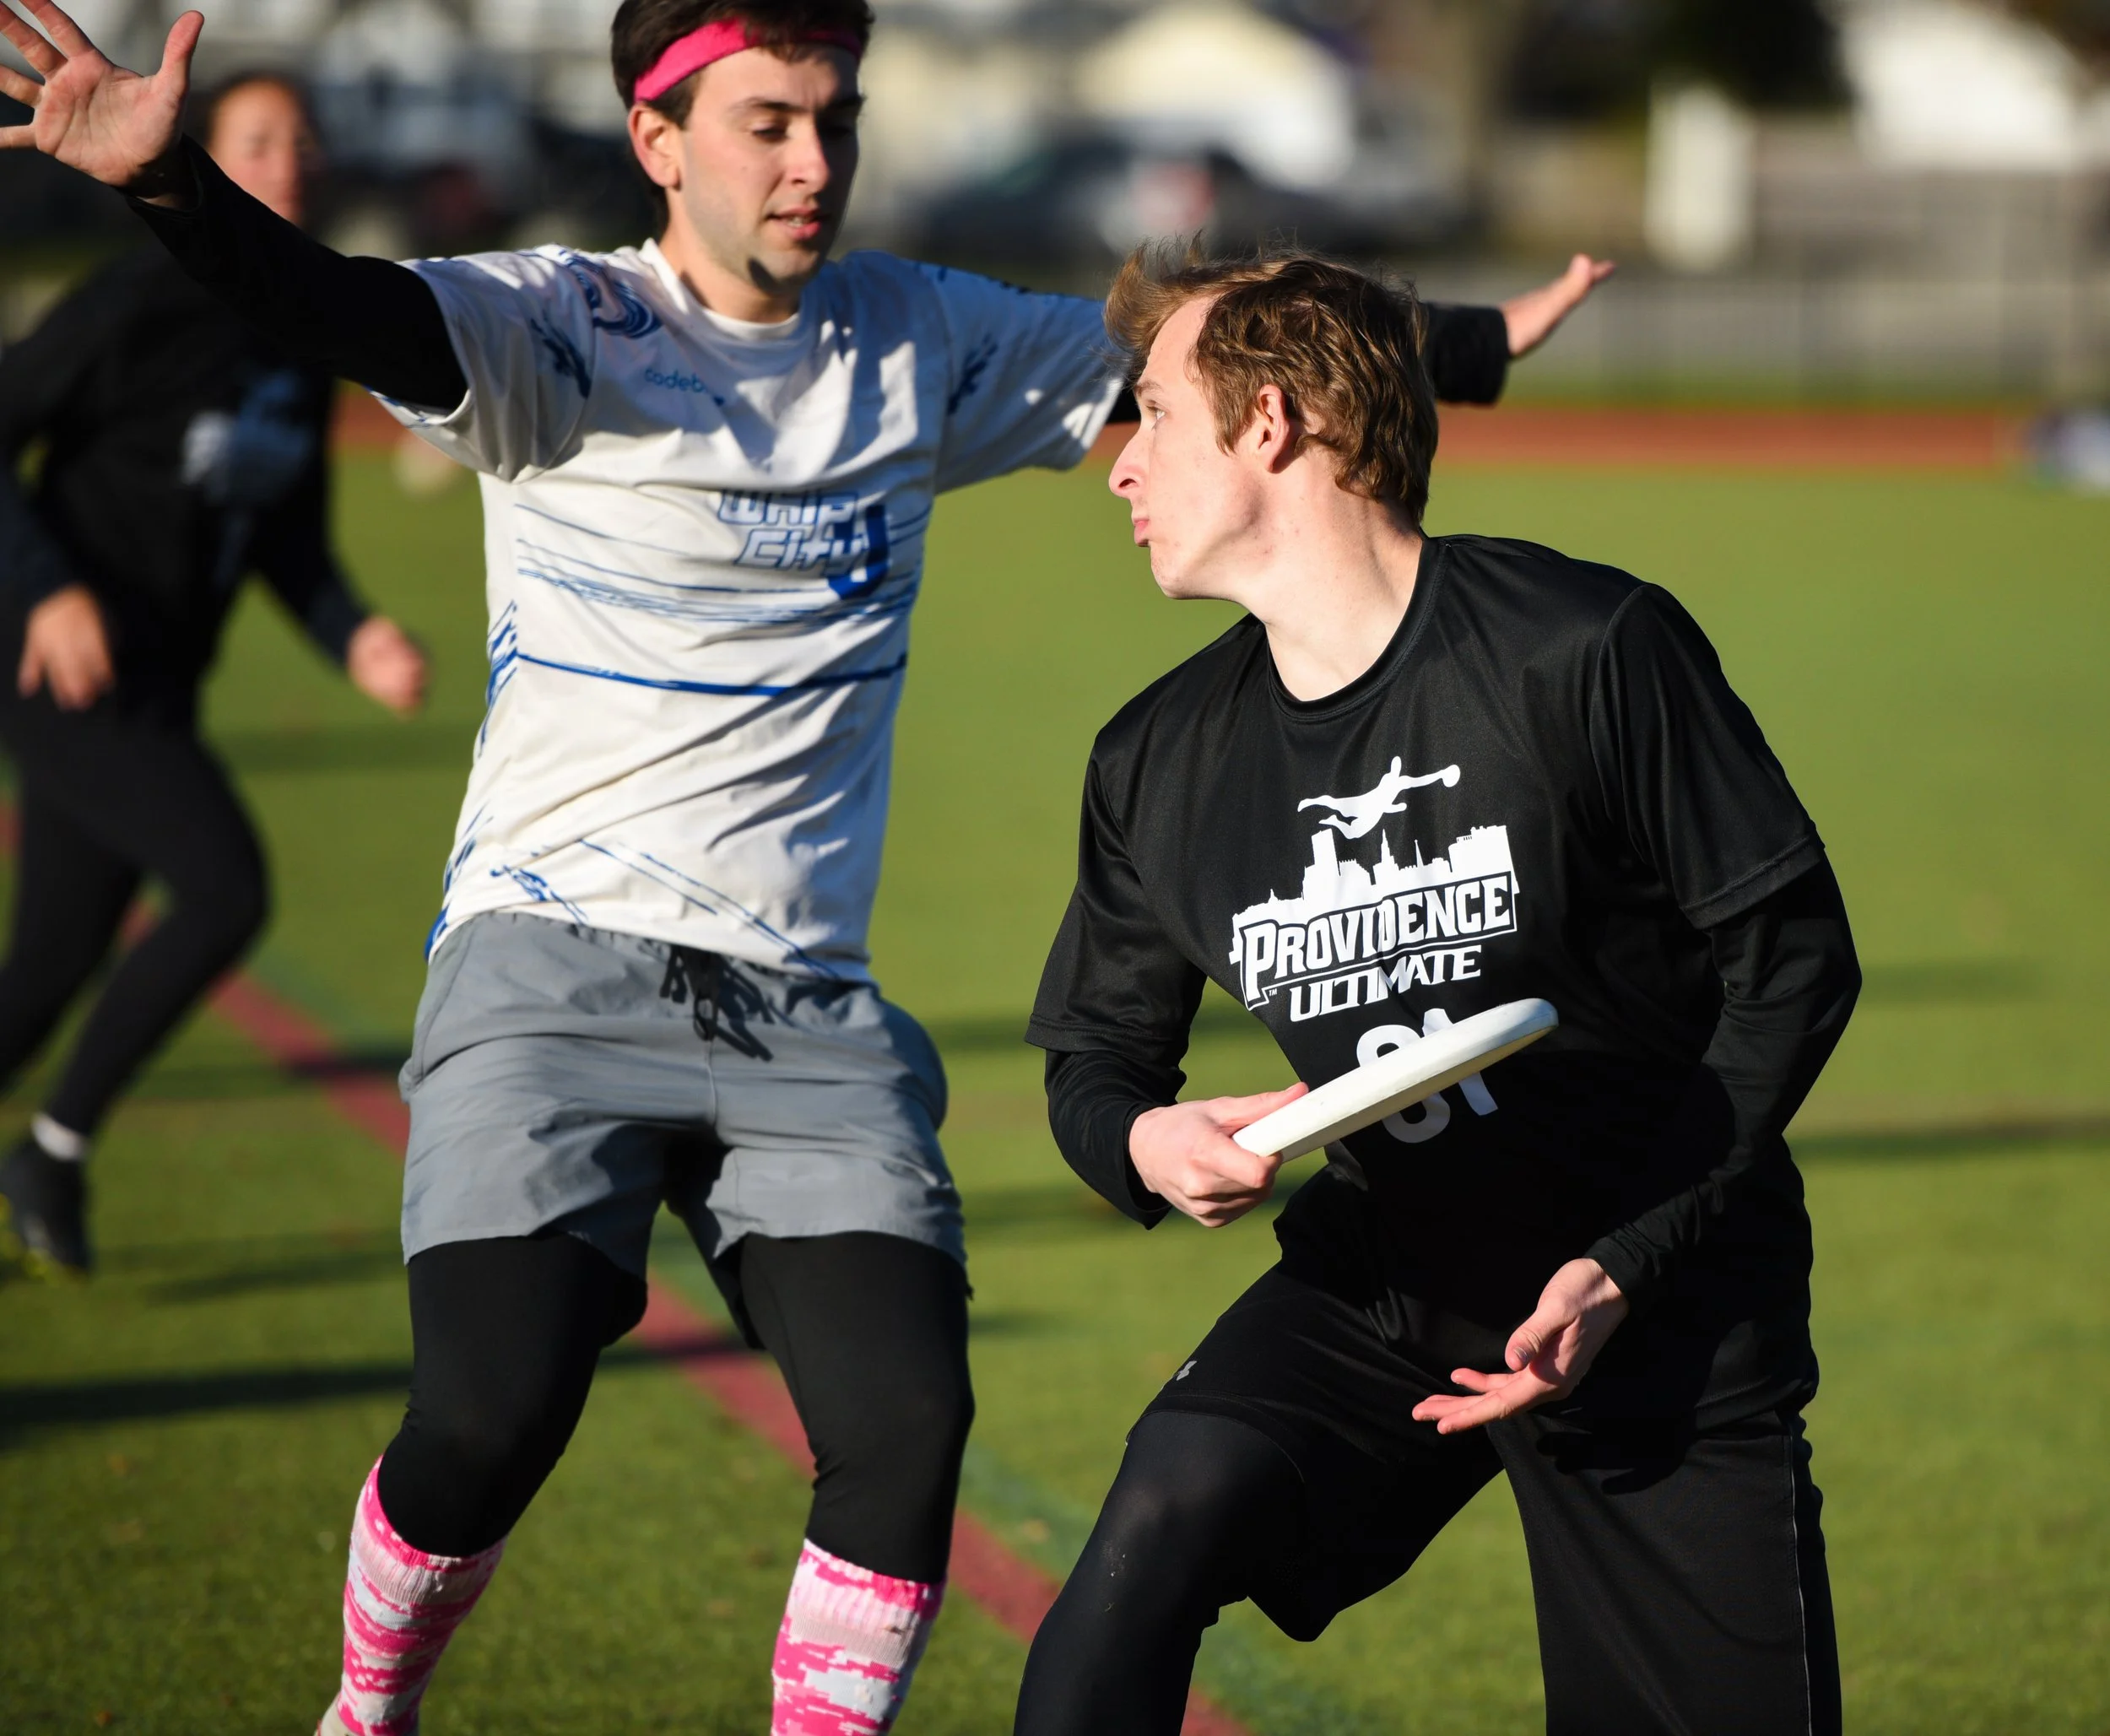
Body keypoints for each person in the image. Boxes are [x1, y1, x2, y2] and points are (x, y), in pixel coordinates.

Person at [0, 2, 1610, 1729]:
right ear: (655, 136)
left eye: (835, 120)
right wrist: (173, 188)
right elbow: (340, 303)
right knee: (494, 1401)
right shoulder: (557, 326)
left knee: (905, 1426)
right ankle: (364, 1707)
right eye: (766, 122)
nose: (812, 163)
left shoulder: (913, 335)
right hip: (550, 966)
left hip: (803, 1015)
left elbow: (1201, 363)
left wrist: (1454, 343)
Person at [1018, 246, 1862, 1736]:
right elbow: (1094, 1059)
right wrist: (1152, 1144)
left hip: (1655, 1290)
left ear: (1271, 424)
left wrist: (1623, 1261)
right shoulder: (1156, 758)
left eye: (1151, 414)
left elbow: (1793, 962)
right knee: (1158, 1525)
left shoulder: (1585, 647)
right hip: (1390, 1283)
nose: (1119, 466)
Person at [0, 68, 426, 1279]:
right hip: (59, 673)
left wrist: (355, 634)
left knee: (44, 971)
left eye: (302, 141)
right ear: (202, 151)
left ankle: (46, 1148)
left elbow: (289, 537)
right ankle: (55, 1146)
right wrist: (47, 589)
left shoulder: (300, 328)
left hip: (159, 685)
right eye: (256, 139)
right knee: (225, 885)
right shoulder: (137, 299)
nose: (285, 163)